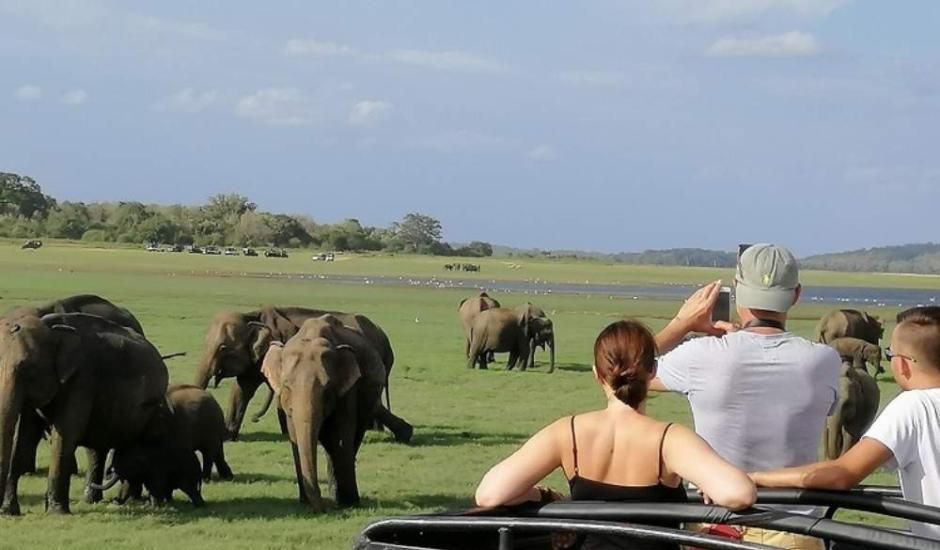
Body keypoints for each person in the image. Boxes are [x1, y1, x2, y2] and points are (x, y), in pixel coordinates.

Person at [474, 320, 756, 550]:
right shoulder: (669, 440)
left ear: (597, 374)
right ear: (653, 372)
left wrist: (546, 496)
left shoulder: (567, 433)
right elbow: (739, 493)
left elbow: (489, 494)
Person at [650, 243, 841, 550]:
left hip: (715, 527)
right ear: (795, 295)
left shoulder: (702, 355)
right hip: (794, 531)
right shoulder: (824, 361)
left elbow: (620, 371)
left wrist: (681, 325)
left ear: (737, 291)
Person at [751, 306, 940, 540]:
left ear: (902, 364)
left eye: (890, 355)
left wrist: (756, 478)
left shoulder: (916, 406)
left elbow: (841, 473)